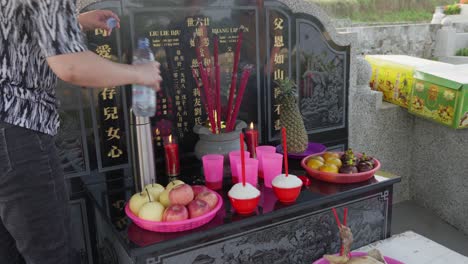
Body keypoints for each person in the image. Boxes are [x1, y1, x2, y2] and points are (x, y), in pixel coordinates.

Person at [0, 1, 161, 263]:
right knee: (52, 253)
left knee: (11, 252)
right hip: (17, 129)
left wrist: (75, 21)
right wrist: (139, 73)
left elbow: (18, 30)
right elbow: (72, 67)